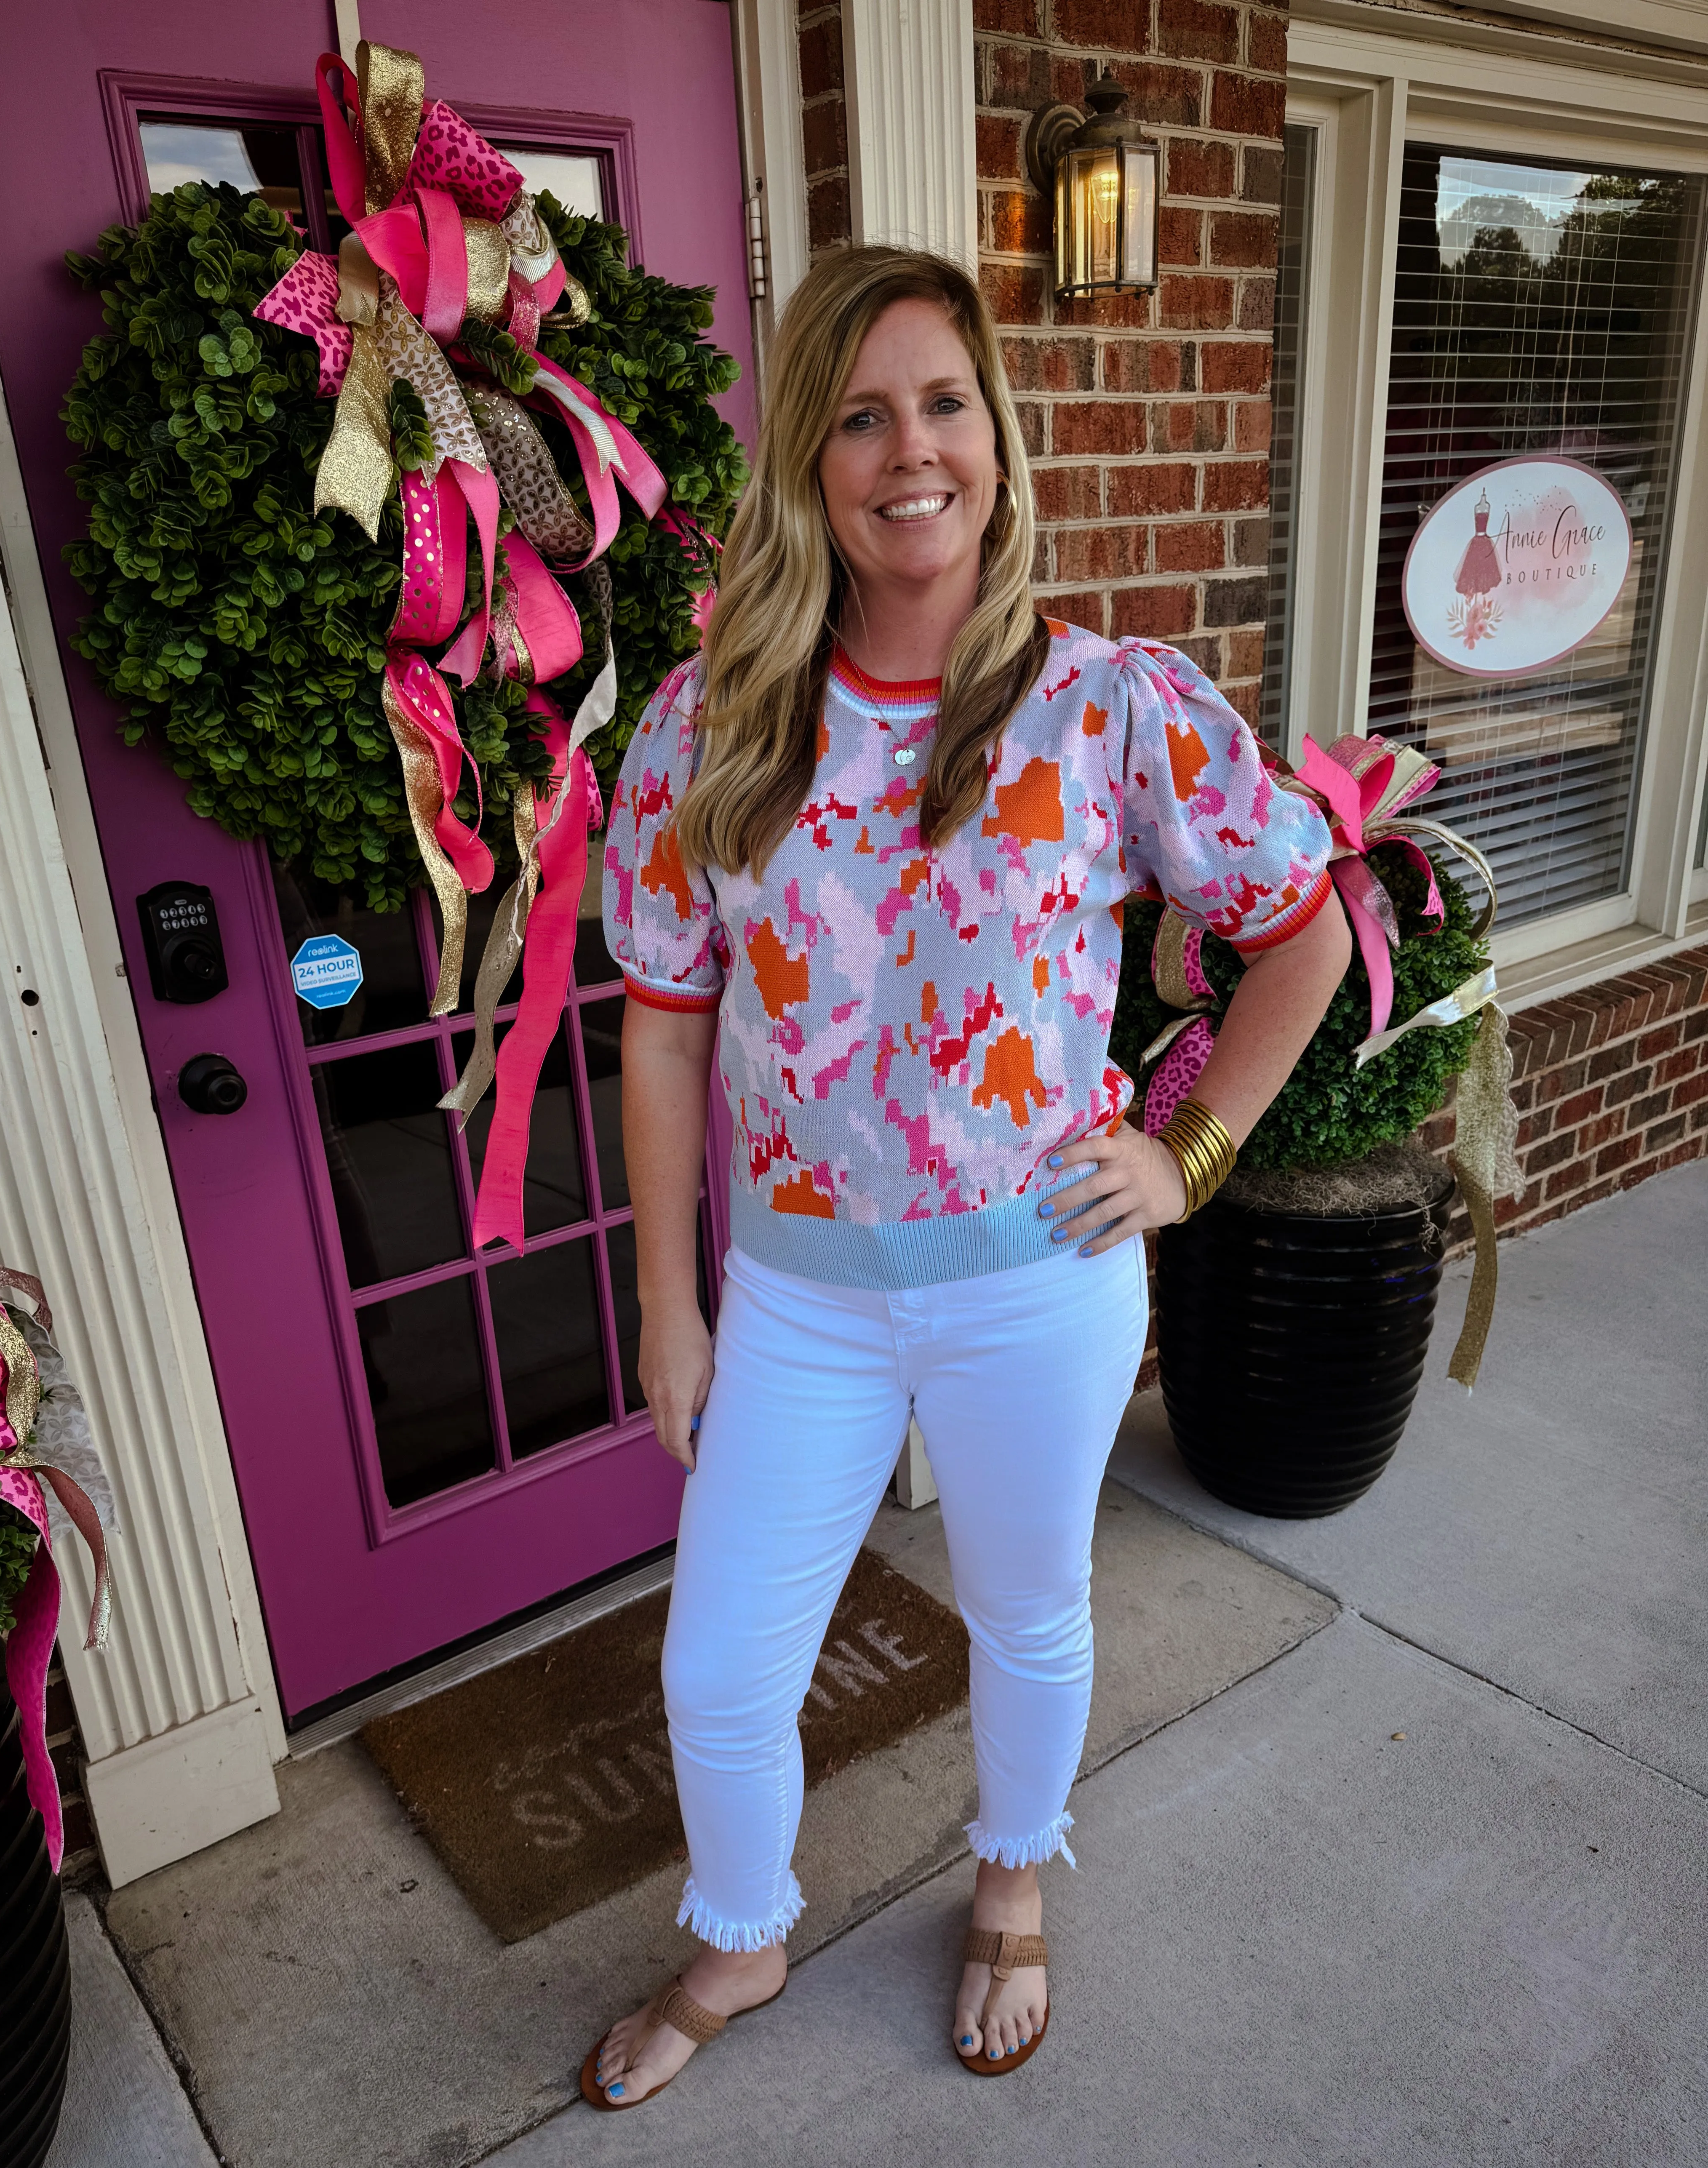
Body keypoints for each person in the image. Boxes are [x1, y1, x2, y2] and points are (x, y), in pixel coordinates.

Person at [582, 245, 1348, 2110]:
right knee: (720, 1662)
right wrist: (672, 1307)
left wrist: (1190, 1155)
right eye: (857, 414)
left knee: (1029, 1609)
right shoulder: (711, 725)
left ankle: (1014, 1875)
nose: (905, 450)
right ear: (807, 463)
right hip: (799, 1300)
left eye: (941, 404)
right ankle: (745, 1927)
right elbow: (667, 1026)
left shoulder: (1108, 709)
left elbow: (1303, 930)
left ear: (997, 443)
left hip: (1037, 1279)